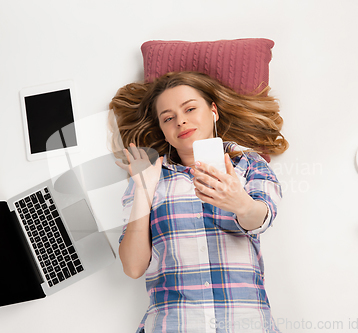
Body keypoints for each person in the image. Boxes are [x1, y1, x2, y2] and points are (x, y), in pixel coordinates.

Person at [109, 71, 288, 333]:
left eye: (190, 108)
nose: (181, 121)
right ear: (163, 131)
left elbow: (262, 218)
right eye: (168, 118)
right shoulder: (148, 178)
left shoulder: (247, 164)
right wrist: (143, 194)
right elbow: (134, 267)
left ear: (213, 111)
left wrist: (240, 203)